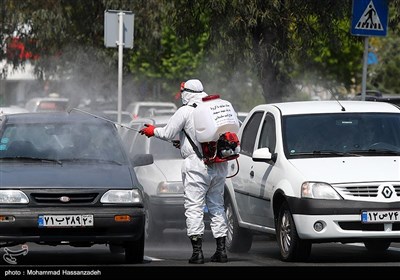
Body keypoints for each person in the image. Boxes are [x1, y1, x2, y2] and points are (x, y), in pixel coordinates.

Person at [139, 79, 230, 264]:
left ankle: (198, 253)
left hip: (197, 166)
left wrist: (151, 130)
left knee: (194, 207)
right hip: (219, 164)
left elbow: (166, 133)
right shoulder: (214, 107)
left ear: (187, 92)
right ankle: (221, 251)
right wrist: (182, 143)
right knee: (217, 206)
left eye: (182, 92)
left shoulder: (186, 110)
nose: (180, 96)